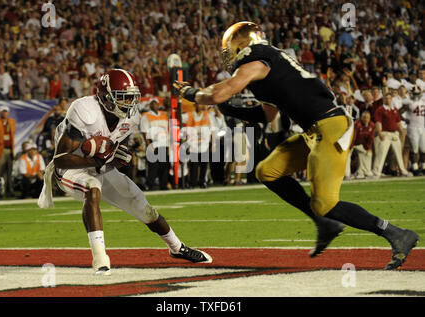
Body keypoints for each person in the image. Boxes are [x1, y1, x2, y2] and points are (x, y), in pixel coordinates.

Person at [173, 21, 419, 270]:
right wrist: (230, 107)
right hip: (316, 130)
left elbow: (217, 94)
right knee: (266, 171)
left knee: (326, 203)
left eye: (229, 49)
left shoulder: (257, 62)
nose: (228, 56)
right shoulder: (268, 65)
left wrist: (192, 94)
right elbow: (267, 115)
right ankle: (323, 223)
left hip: (331, 126)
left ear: (242, 45)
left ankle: (397, 234)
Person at [38, 69, 212, 275]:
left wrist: (119, 158)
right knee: (92, 188)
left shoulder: (131, 118)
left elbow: (113, 152)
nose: (129, 103)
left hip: (98, 165)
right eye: (123, 98)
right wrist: (96, 158)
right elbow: (59, 160)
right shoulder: (84, 111)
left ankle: (177, 248)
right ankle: (100, 258)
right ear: (105, 97)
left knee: (142, 204)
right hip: (69, 169)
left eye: (131, 97)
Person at [372, 93, 411, 177]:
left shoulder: (395, 110)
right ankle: (376, 171)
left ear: (391, 99)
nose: (388, 100)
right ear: (383, 100)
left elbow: (398, 123)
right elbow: (378, 122)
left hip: (394, 134)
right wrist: (379, 133)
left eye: (389, 98)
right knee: (381, 153)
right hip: (384, 133)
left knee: (398, 153)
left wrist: (402, 132)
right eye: (386, 98)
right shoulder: (380, 109)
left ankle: (403, 170)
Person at [140, 98, 170, 190]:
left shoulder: (164, 115)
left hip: (163, 143)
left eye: (156, 103)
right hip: (154, 143)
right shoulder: (146, 116)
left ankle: (163, 185)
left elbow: (167, 130)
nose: (155, 105)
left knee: (164, 166)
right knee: (153, 167)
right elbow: (145, 132)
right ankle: (150, 185)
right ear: (150, 105)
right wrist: (149, 145)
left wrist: (168, 145)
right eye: (153, 104)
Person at [400, 86, 425, 175]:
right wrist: (404, 119)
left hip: (422, 127)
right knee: (414, 149)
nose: (416, 96)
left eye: (417, 94)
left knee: (423, 149)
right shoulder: (409, 103)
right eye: (414, 94)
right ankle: (415, 167)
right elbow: (399, 113)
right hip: (413, 128)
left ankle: (423, 166)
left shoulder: (423, 102)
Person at [0, 106, 16, 197]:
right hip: (1, 149)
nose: (5, 113)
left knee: (9, 171)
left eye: (6, 111)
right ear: (0, 113)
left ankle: (9, 191)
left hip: (10, 149)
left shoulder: (11, 122)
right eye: (3, 111)